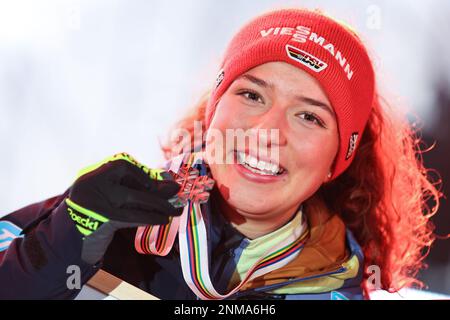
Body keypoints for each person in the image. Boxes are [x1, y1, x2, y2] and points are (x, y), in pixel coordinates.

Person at [0, 8, 442, 300]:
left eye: (309, 117)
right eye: (251, 94)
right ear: (214, 110)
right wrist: (67, 237)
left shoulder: (348, 288)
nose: (268, 131)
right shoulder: (111, 214)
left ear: (336, 162)